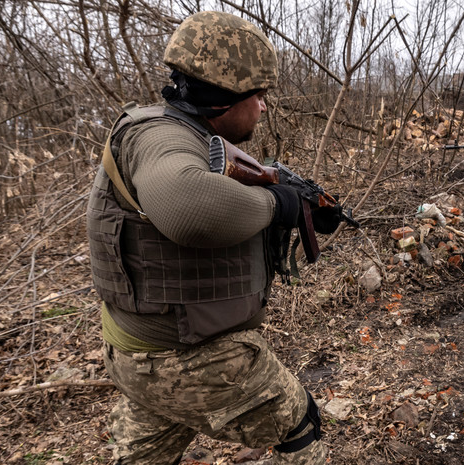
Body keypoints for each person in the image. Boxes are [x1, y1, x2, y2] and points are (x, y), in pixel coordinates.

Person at [87, 11, 338, 464]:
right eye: (258, 96)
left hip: (138, 351)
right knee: (300, 428)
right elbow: (187, 207)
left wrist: (305, 208)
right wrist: (277, 205)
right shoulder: (161, 138)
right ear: (223, 99)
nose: (263, 107)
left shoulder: (190, 136)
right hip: (187, 356)